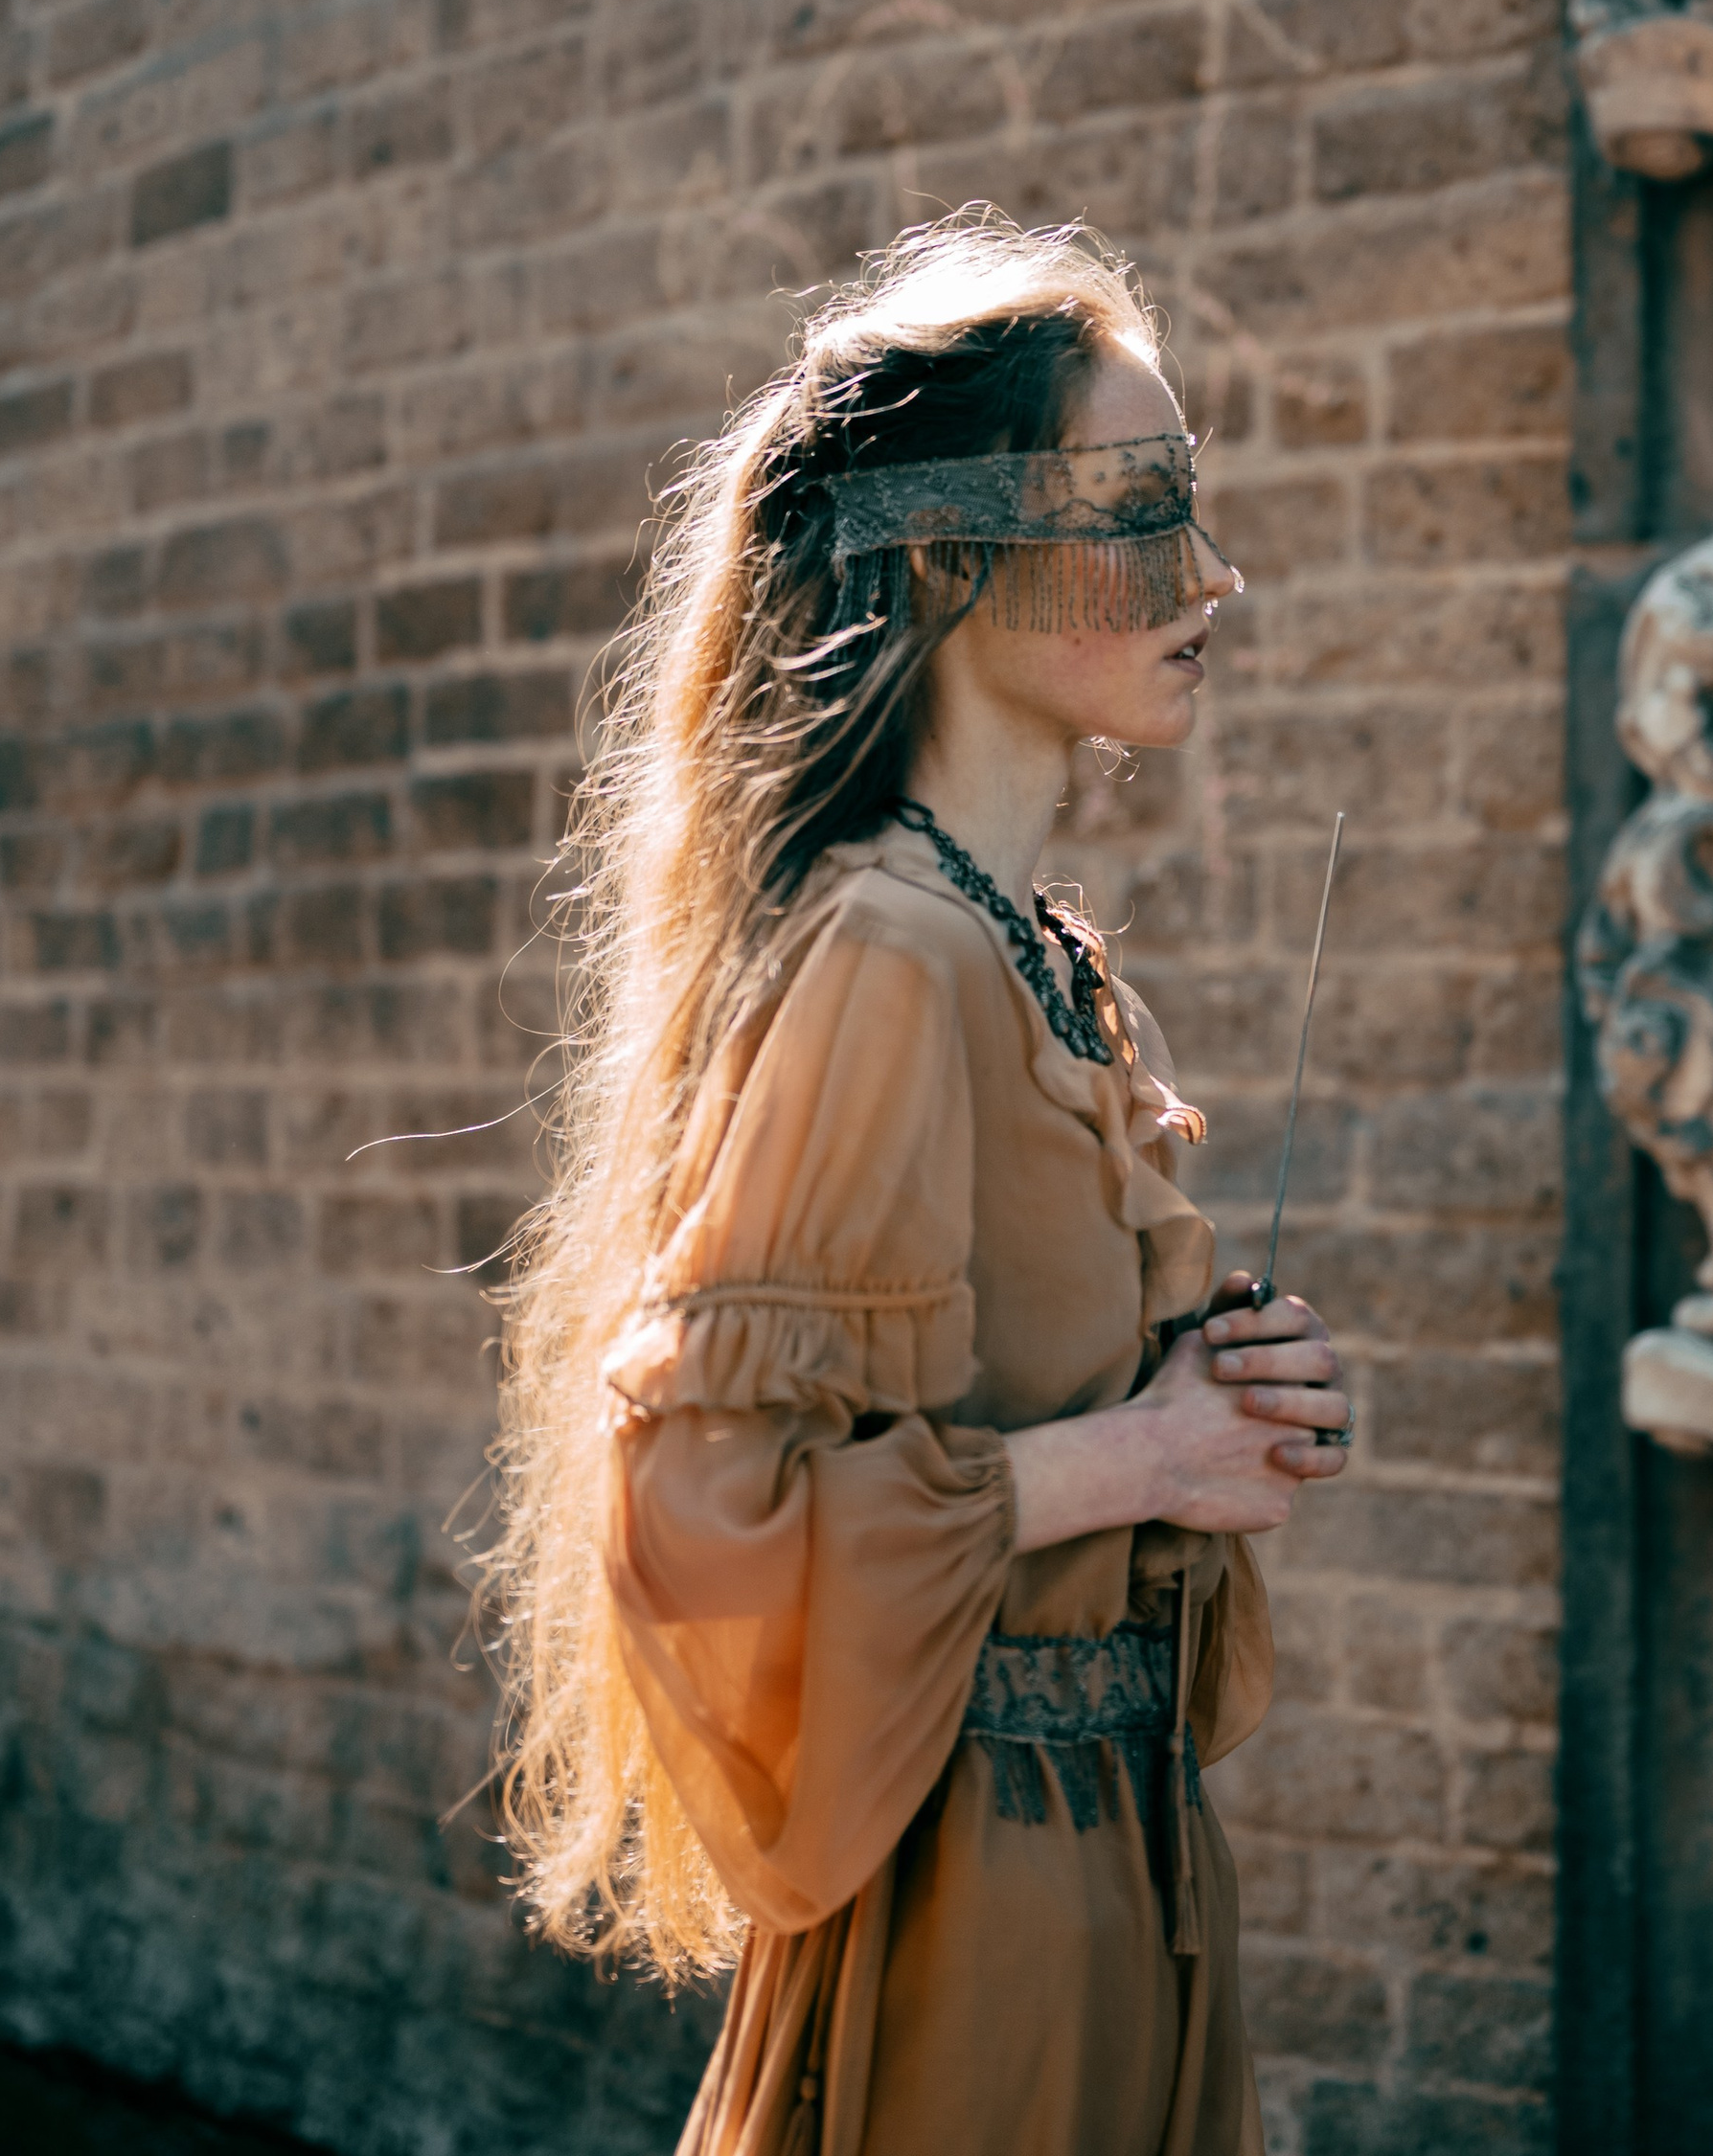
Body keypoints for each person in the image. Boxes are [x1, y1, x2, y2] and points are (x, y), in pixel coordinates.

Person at [486, 212, 1352, 2156]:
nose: (1211, 573)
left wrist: (1234, 1411)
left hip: (1118, 1867)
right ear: (955, 554)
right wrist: (1138, 1461)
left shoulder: (1033, 947)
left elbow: (1073, 1445)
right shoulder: (892, 950)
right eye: (1143, 511)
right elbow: (699, 1507)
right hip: (975, 1922)